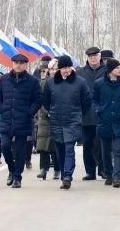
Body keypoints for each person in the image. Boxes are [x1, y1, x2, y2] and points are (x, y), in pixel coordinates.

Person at [44, 54, 93, 190]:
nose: (67, 70)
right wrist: (52, 112)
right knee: (60, 149)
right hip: (56, 120)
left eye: (68, 67)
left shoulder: (80, 82)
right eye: (64, 67)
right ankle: (64, 174)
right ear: (59, 69)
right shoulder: (50, 83)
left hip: (73, 120)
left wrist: (78, 113)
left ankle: (67, 176)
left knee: (69, 148)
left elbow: (87, 101)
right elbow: (46, 101)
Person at [0, 54, 42, 188]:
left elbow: (38, 100)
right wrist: (2, 109)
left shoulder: (32, 81)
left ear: (25, 64)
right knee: (5, 146)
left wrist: (29, 112)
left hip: (23, 120)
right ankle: (11, 169)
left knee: (21, 150)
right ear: (12, 64)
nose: (18, 65)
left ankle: (18, 177)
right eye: (16, 62)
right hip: (6, 119)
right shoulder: (4, 79)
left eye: (21, 63)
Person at [93, 58, 120, 188]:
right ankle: (109, 175)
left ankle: (116, 177)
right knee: (105, 151)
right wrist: (98, 110)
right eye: (116, 68)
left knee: (118, 149)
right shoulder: (99, 83)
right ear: (110, 70)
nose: (119, 70)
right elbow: (94, 100)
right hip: (104, 121)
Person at [76, 46, 105, 180]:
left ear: (100, 56)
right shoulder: (80, 72)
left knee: (102, 143)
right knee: (87, 144)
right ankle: (90, 171)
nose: (93, 58)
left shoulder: (107, 71)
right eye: (90, 56)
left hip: (103, 113)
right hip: (85, 114)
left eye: (95, 56)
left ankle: (103, 169)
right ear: (87, 58)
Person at [35, 61, 60, 180]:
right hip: (45, 118)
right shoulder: (43, 83)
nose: (54, 71)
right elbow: (40, 100)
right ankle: (43, 169)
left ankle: (57, 169)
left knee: (55, 145)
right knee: (43, 144)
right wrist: (47, 112)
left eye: (56, 69)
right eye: (52, 69)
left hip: (59, 118)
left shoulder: (63, 83)